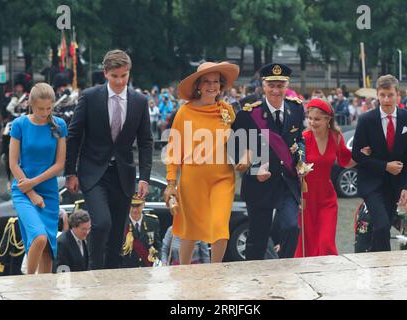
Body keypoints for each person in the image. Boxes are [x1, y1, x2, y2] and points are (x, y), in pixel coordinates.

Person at [65, 49, 153, 270]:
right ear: (105, 73)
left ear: (128, 73)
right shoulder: (90, 96)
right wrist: (70, 171)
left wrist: (144, 178)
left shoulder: (139, 101)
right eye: (115, 76)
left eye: (124, 76)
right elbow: (74, 135)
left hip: (123, 175)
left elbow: (146, 142)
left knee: (116, 236)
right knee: (102, 223)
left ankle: (112, 284)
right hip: (93, 172)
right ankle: (93, 269)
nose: (120, 81)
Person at [163, 61, 239, 264]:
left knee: (220, 226)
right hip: (192, 181)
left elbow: (235, 144)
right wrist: (171, 183)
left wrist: (246, 156)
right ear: (198, 85)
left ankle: (215, 273)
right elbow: (173, 150)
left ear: (221, 86)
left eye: (216, 82)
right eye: (207, 81)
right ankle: (184, 273)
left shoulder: (227, 111)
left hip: (223, 178)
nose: (212, 86)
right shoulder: (184, 112)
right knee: (190, 231)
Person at [230, 63, 306, 260]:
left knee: (291, 227)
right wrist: (254, 169)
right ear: (263, 86)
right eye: (271, 85)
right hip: (259, 185)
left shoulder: (296, 109)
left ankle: (286, 270)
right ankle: (254, 281)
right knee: (258, 240)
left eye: (280, 85)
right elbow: (233, 148)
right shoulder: (248, 114)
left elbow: (299, 140)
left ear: (286, 86)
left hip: (286, 183)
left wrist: (301, 160)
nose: (275, 90)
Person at [352, 74, 407, 252]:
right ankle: (385, 267)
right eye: (382, 95)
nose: (386, 99)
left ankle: (376, 268)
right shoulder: (366, 120)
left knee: (382, 228)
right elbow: (357, 155)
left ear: (398, 95)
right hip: (371, 184)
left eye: (390, 95)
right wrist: (385, 166)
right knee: (381, 226)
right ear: (377, 95)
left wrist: (406, 188)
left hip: (395, 185)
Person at [294, 99, 367, 257]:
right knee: (306, 243)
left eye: (317, 119)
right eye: (310, 118)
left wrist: (362, 155)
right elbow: (295, 165)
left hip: (327, 198)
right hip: (306, 198)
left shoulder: (336, 137)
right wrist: (299, 171)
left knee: (326, 242)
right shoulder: (303, 138)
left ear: (328, 119)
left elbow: (346, 161)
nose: (312, 122)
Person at [9, 83, 68, 274]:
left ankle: (43, 294)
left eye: (49, 108)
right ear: (31, 104)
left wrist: (34, 183)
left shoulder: (60, 125)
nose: (45, 112)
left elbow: (59, 164)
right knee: (39, 238)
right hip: (23, 190)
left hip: (49, 193)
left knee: (48, 253)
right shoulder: (19, 124)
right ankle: (28, 283)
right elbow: (13, 163)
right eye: (41, 108)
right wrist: (31, 191)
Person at [121, 195, 161, 268]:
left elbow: (157, 246)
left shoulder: (152, 222)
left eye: (138, 206)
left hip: (147, 268)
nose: (135, 210)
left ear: (143, 204)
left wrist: (157, 260)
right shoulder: (121, 222)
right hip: (126, 269)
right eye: (132, 206)